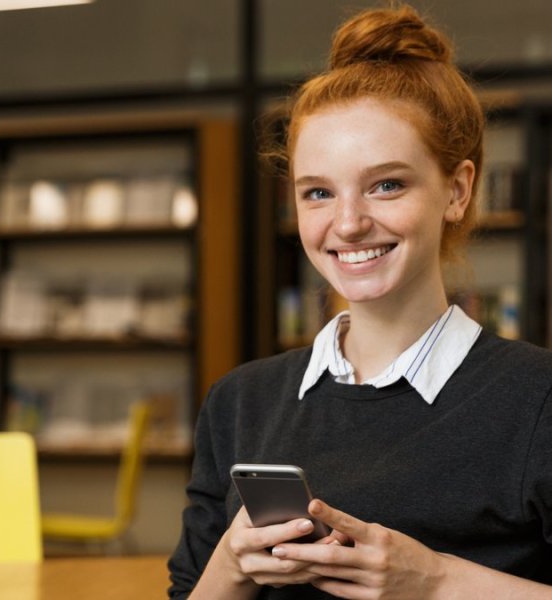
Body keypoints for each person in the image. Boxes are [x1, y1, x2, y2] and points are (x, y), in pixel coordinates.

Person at [167, 4, 552, 599]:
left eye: (386, 184)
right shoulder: (240, 401)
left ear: (457, 189)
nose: (347, 224)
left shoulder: (538, 400)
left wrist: (436, 580)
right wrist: (231, 567)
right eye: (318, 192)